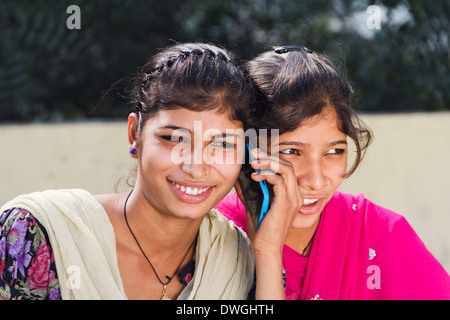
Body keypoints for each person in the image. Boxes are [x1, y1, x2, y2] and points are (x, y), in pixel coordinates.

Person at [0, 43, 256, 300]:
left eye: (223, 144)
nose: (195, 166)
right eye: (174, 138)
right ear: (135, 134)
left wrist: (265, 245)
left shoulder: (238, 262)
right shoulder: (37, 235)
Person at [215, 45, 450, 300]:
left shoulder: (377, 232)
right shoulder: (211, 235)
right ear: (249, 152)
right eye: (291, 152)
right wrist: (267, 253)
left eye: (334, 151)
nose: (317, 180)